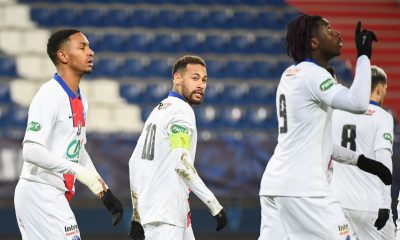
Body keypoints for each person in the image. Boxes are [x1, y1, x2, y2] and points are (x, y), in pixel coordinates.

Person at [258, 14, 391, 240]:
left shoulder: (290, 74)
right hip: (305, 189)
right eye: (329, 30)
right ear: (314, 43)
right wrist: (363, 57)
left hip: (274, 186)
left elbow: (318, 142)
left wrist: (362, 161)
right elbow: (358, 103)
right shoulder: (313, 74)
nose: (337, 33)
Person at [14, 29, 123, 240]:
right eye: (82, 47)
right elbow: (31, 150)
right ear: (63, 56)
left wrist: (103, 190)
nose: (90, 52)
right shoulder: (49, 95)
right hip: (40, 191)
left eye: (89, 47)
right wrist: (78, 172)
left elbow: (77, 149)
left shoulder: (82, 100)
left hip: (51, 194)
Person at [128, 55, 228, 240]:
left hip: (164, 212)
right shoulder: (181, 110)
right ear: (177, 78)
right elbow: (181, 163)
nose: (201, 85)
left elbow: (134, 162)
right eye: (195, 78)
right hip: (167, 213)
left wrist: (137, 216)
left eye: (204, 80)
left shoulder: (159, 110)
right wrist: (214, 205)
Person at [330, 65, 395, 240]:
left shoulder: (336, 112)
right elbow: (383, 159)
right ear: (380, 89)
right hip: (370, 205)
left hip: (338, 203)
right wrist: (385, 204)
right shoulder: (382, 116)